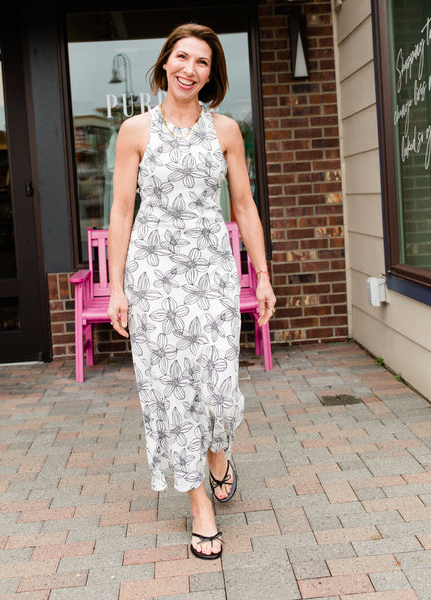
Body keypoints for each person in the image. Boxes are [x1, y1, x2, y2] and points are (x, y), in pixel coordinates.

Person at [107, 23, 276, 560]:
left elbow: (244, 206)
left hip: (212, 277)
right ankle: (199, 505)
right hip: (154, 279)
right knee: (171, 391)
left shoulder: (225, 130)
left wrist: (262, 274)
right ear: (164, 64)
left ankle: (219, 451)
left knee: (221, 386)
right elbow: (121, 212)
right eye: (182, 57)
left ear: (211, 75)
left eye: (202, 62)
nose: (189, 69)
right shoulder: (134, 131)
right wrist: (116, 288)